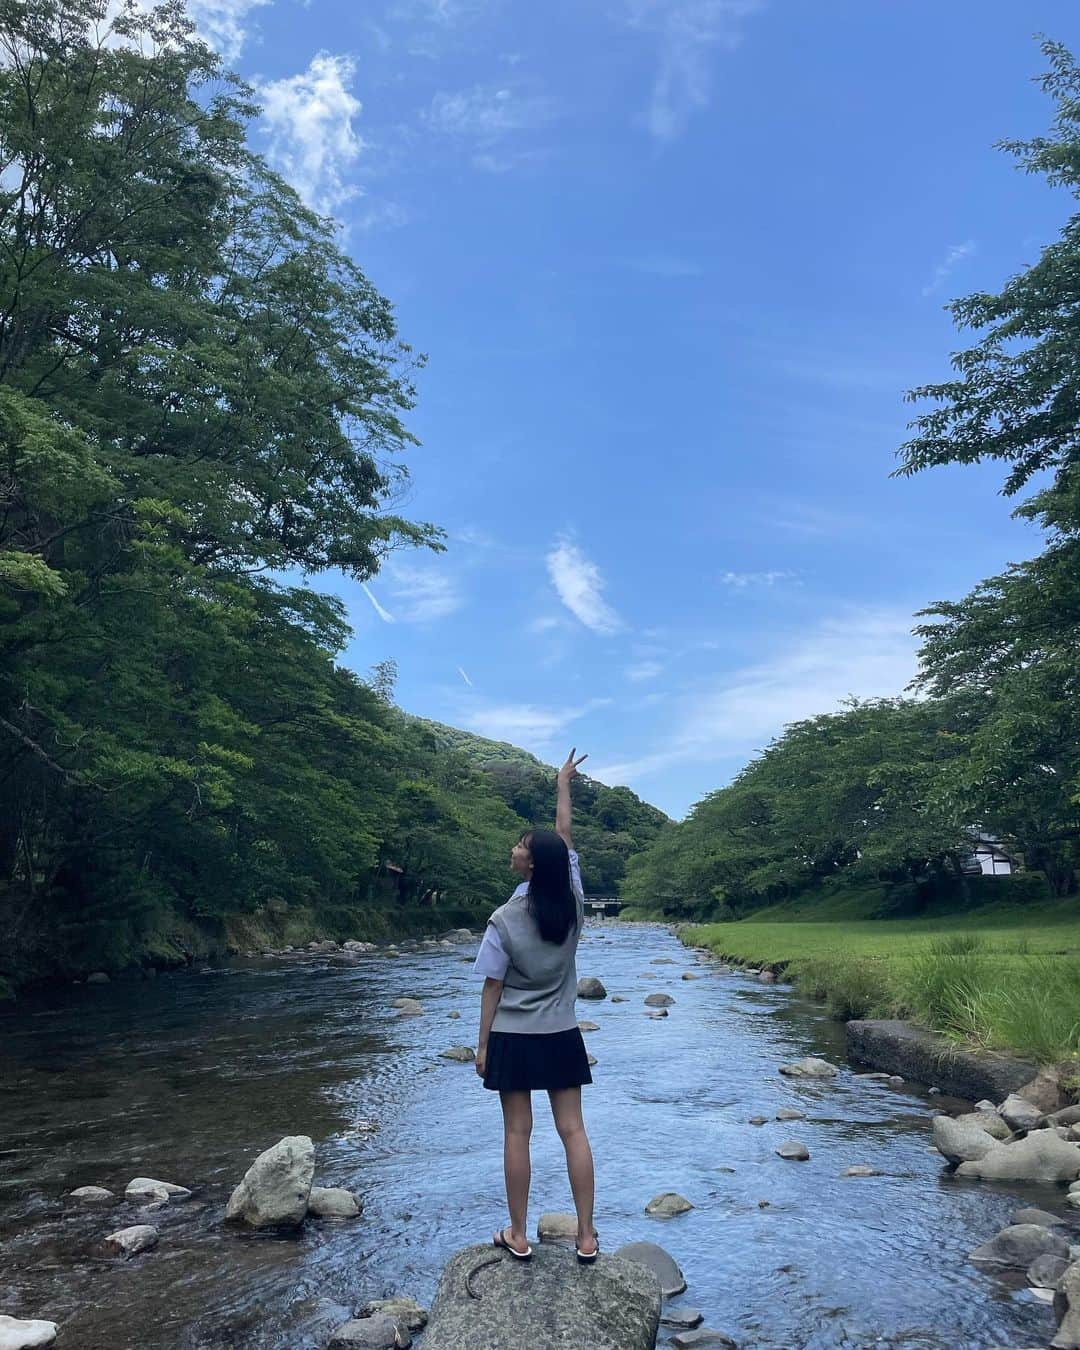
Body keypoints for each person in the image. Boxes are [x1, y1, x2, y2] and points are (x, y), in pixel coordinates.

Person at [471, 747, 599, 1265]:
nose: (514, 849)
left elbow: (491, 989)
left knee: (516, 1133)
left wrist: (481, 1045)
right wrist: (561, 785)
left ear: (529, 863)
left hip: (513, 1036)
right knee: (573, 1130)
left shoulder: (504, 919)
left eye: (520, 847)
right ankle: (586, 1237)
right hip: (562, 1031)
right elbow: (564, 839)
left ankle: (518, 1234)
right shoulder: (572, 900)